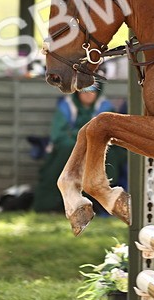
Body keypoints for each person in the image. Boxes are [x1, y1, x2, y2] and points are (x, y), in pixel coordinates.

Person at [32, 85, 128, 213]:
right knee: (65, 151)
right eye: (84, 91)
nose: (88, 94)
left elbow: (110, 135)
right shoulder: (66, 106)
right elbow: (58, 134)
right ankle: (55, 205)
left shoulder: (105, 108)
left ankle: (100, 205)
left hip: (97, 148)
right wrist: (80, 144)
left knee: (111, 156)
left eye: (92, 91)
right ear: (77, 93)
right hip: (70, 147)